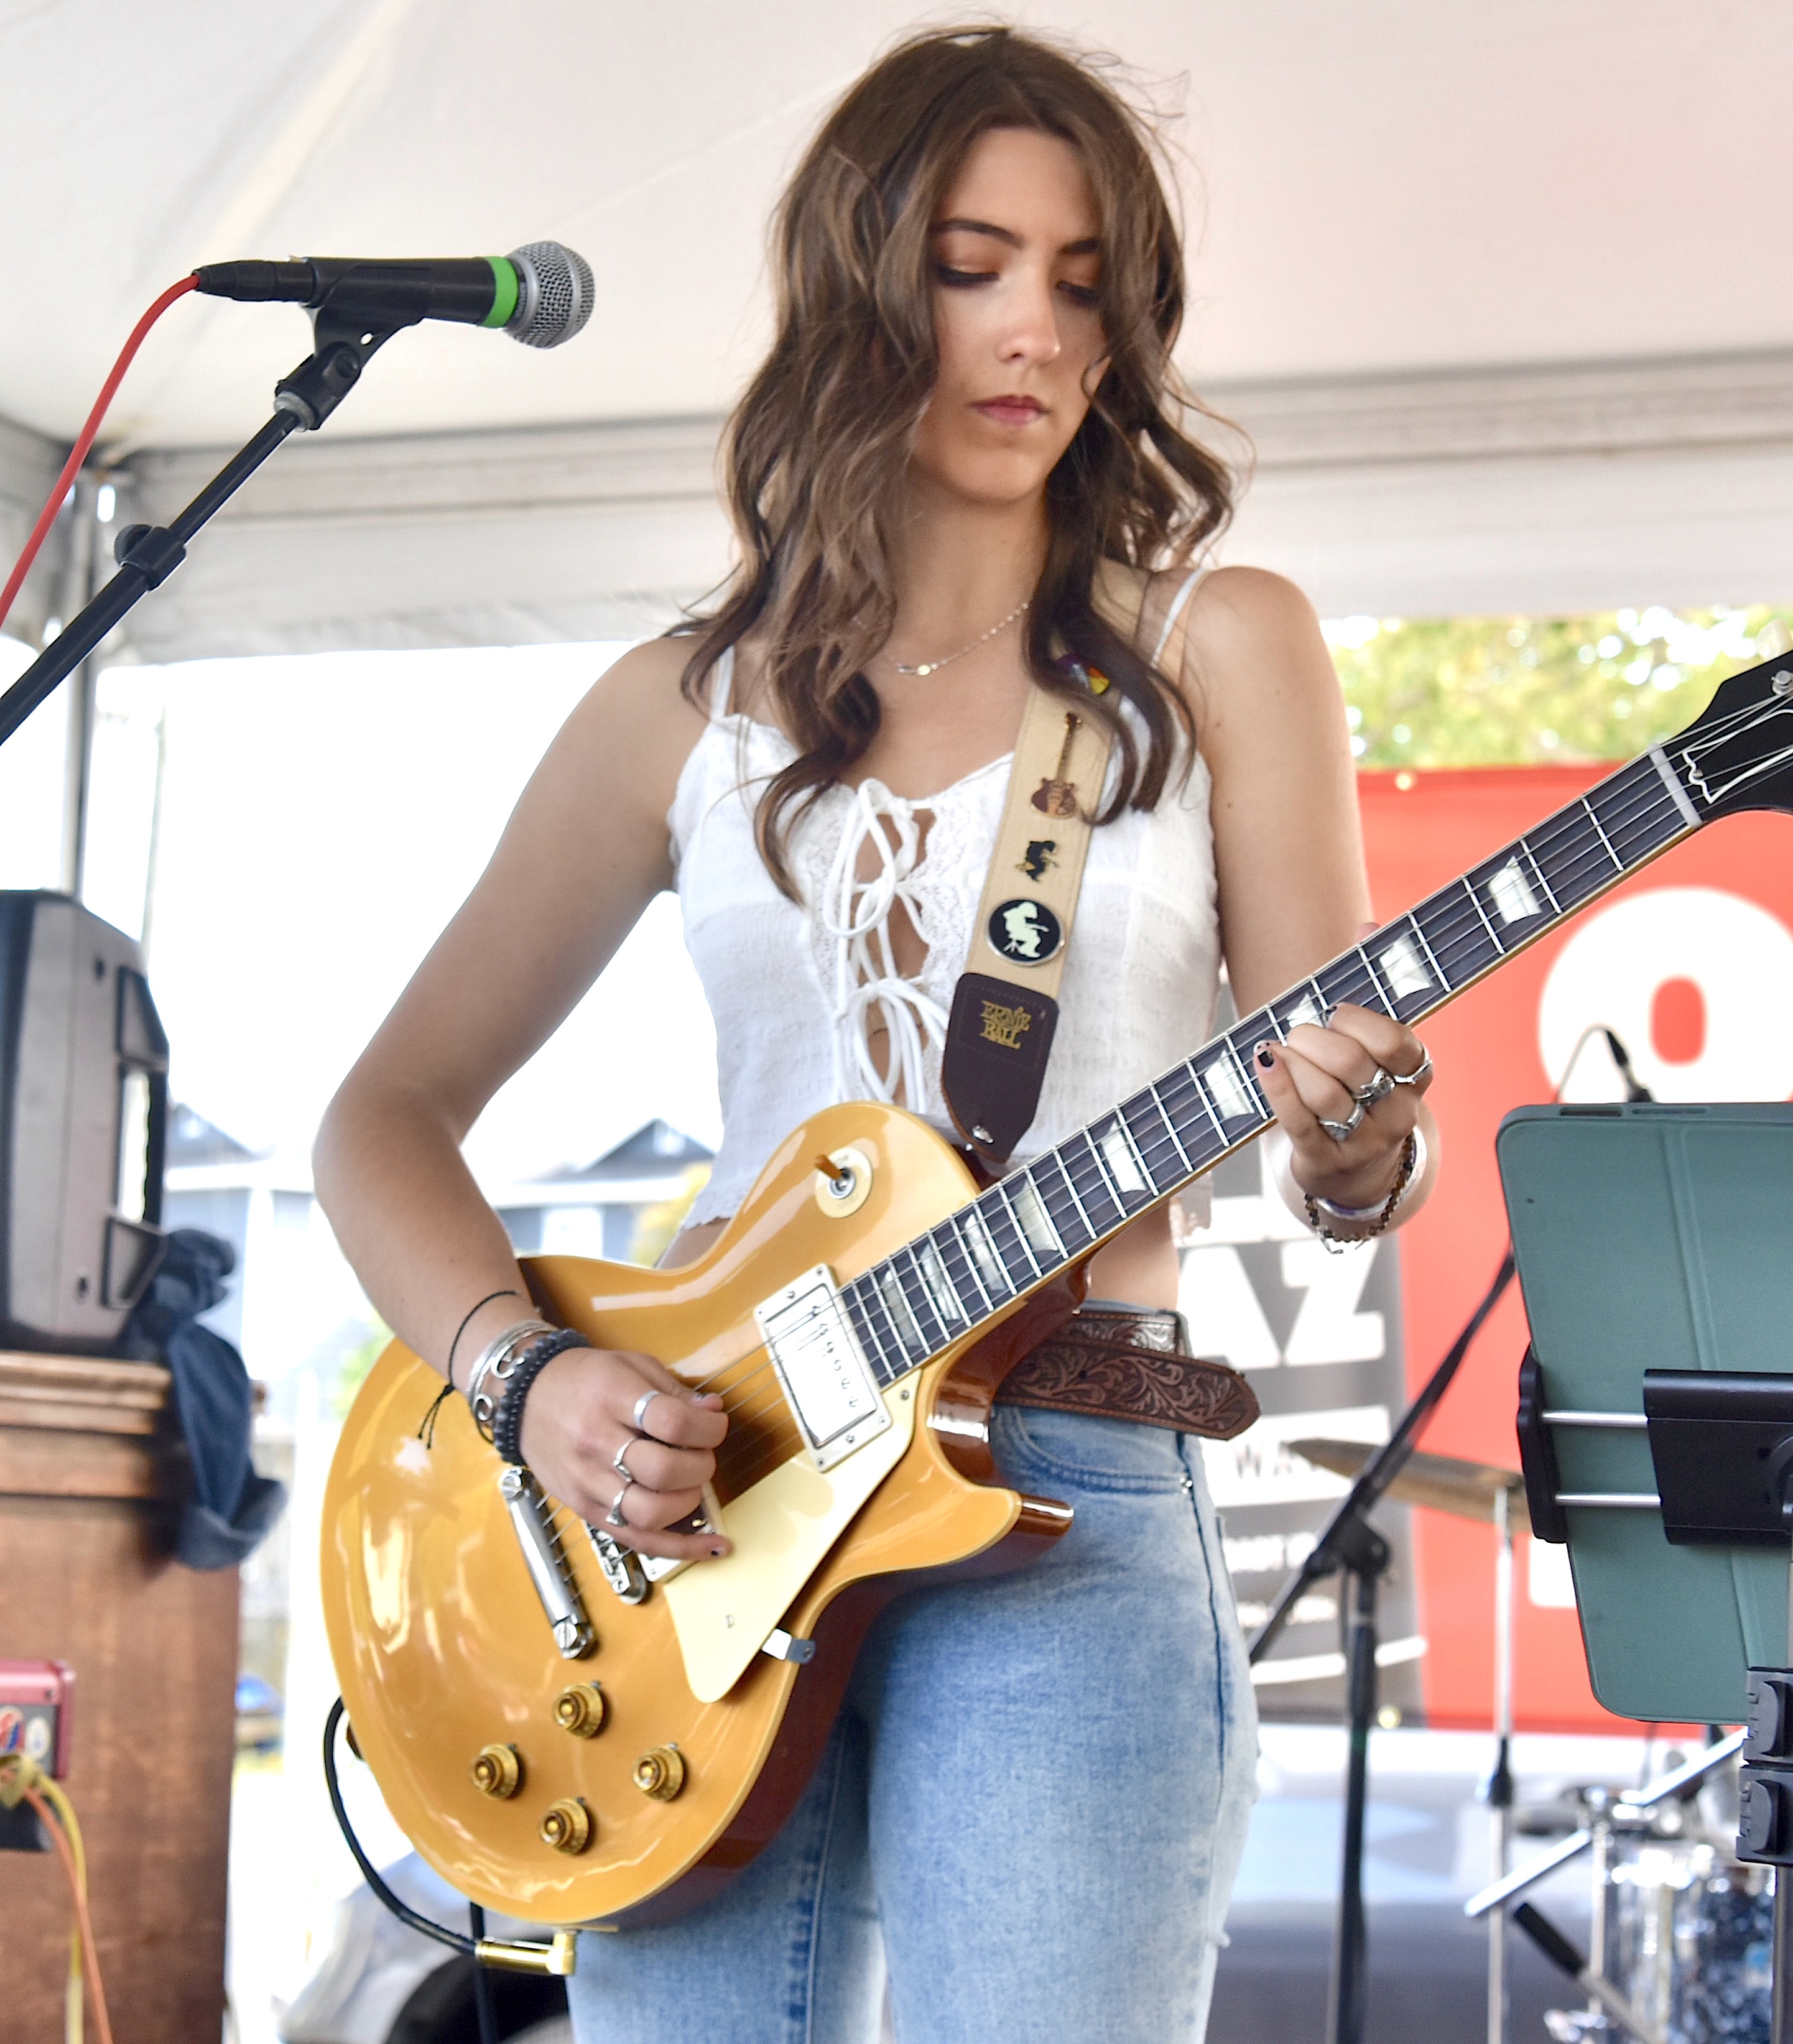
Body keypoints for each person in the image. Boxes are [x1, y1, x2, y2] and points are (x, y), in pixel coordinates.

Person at [314, 24, 1439, 2043]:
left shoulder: (1217, 646)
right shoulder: (680, 708)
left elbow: (1336, 1143)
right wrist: (527, 1375)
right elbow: (382, 1117)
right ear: (854, 290)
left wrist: (1359, 1146)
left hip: (1071, 1470)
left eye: (1083, 283)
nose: (1035, 333)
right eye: (970, 266)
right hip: (705, 1501)